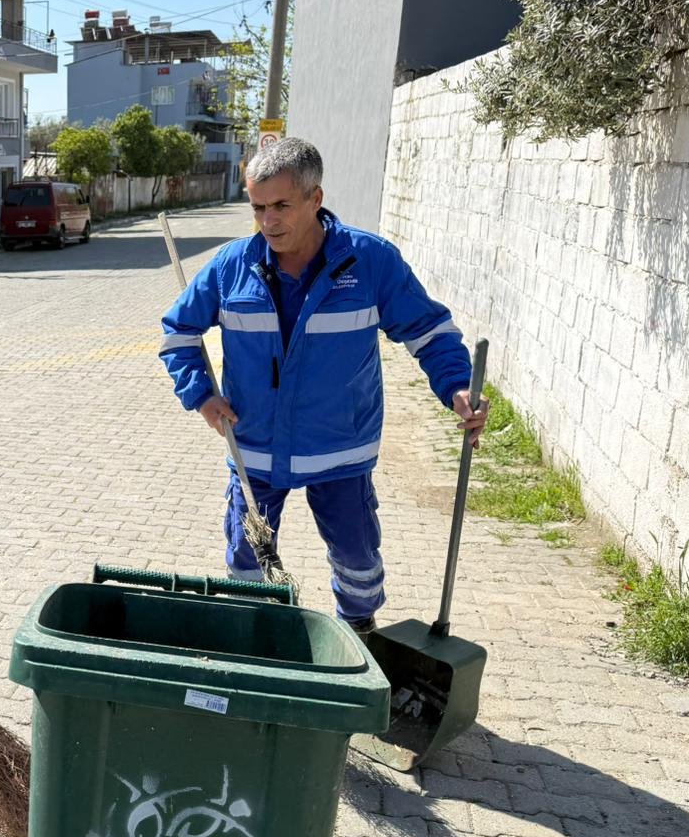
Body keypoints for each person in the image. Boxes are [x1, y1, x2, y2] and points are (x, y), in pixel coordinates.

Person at [158, 137, 488, 636]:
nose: (268, 221)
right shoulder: (231, 267)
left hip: (341, 450)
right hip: (255, 451)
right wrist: (201, 395)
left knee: (357, 559)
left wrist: (458, 387)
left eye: (281, 206)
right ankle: (253, 636)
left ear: (315, 198)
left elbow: (429, 332)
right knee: (247, 559)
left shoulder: (369, 261)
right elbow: (177, 334)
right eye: (258, 208)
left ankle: (358, 633)